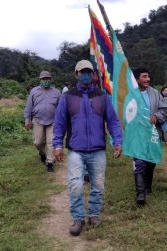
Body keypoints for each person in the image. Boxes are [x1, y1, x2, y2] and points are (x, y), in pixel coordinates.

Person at [52, 60, 122, 236]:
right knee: (75, 184)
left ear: (93, 75)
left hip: (98, 150)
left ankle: (94, 215)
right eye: (82, 72)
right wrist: (57, 145)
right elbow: (59, 123)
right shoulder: (67, 97)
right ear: (76, 74)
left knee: (98, 185)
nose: (86, 75)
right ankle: (78, 218)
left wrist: (118, 141)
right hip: (76, 149)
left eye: (89, 72)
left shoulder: (102, 96)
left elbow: (112, 121)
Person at [132, 68, 167, 206]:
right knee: (140, 162)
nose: (147, 79)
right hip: (137, 134)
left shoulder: (155, 93)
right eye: (144, 76)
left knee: (151, 161)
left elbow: (164, 109)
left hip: (153, 133)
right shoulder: (131, 94)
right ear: (137, 79)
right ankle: (141, 194)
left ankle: (148, 185)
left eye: (148, 76)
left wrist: (156, 116)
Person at [24, 70, 61, 172]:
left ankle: (49, 162)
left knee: (51, 142)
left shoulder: (57, 93)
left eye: (47, 79)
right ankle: (42, 153)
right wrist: (27, 120)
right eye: (43, 79)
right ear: (40, 80)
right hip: (37, 120)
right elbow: (28, 107)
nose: (45, 80)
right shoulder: (34, 91)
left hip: (52, 121)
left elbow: (61, 108)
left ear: (51, 80)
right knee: (38, 142)